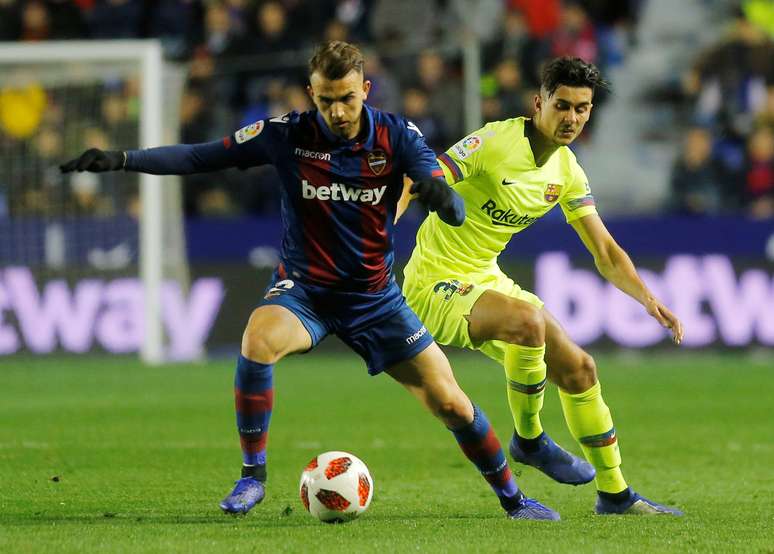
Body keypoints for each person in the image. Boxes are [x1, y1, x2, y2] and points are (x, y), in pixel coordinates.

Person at [60, 41, 558, 521]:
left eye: (347, 98)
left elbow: (452, 208)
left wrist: (441, 196)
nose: (338, 111)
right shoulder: (286, 134)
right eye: (325, 100)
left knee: (450, 401)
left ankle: (514, 500)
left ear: (366, 88)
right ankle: (252, 475)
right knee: (258, 337)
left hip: (375, 298)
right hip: (306, 292)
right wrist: (123, 160)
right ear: (310, 93)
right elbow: (200, 156)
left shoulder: (397, 136)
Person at [402, 56, 685, 516]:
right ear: (539, 102)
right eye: (563, 105)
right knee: (527, 321)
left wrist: (649, 300)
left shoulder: (568, 172)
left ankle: (616, 495)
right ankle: (529, 440)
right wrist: (381, 226)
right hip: (434, 282)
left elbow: (606, 252)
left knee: (580, 369)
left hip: (485, 277)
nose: (571, 118)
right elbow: (426, 178)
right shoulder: (495, 141)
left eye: (582, 109)